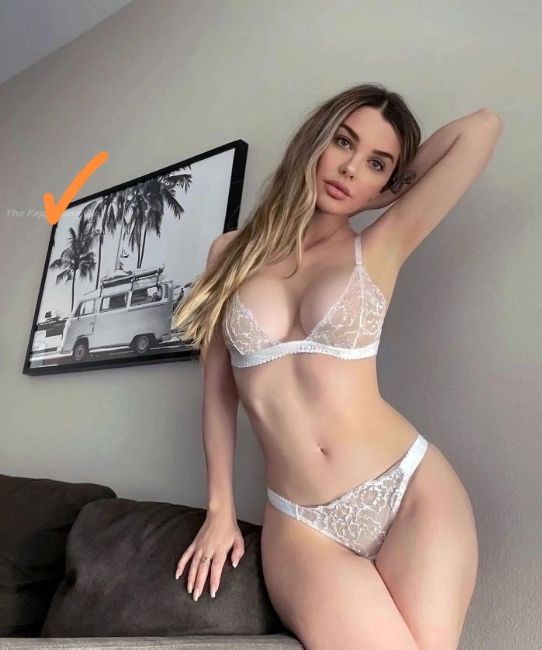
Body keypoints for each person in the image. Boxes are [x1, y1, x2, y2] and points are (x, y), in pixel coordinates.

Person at [171, 83, 503, 649]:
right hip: (302, 525)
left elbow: (483, 127)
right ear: (315, 140)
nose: (350, 169)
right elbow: (219, 393)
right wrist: (219, 510)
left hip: (411, 490)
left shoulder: (383, 242)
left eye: (376, 162)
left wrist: (381, 194)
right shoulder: (230, 253)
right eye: (344, 143)